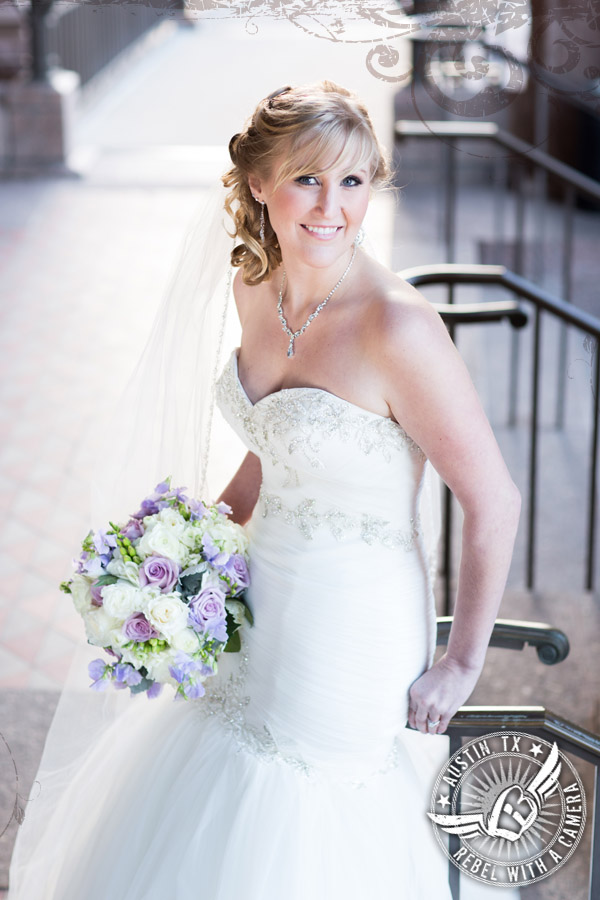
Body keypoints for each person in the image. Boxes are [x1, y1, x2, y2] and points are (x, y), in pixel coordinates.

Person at [8, 81, 521, 899]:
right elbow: (275, 443)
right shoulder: (254, 288)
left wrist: (461, 665)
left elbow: (494, 500)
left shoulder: (398, 327)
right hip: (260, 593)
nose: (332, 206)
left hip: (353, 619)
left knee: (305, 805)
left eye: (353, 181)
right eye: (308, 178)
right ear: (259, 184)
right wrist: (185, 556)